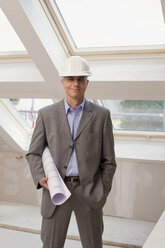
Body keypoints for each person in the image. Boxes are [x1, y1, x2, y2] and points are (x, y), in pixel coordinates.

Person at [26, 56, 117, 248]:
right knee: (51, 245)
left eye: (80, 79)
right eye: (70, 79)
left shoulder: (102, 116)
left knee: (93, 245)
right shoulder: (46, 114)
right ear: (62, 82)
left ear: (87, 82)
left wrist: (102, 190)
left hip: (90, 192)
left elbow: (109, 161)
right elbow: (33, 153)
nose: (75, 83)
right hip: (57, 191)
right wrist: (40, 176)